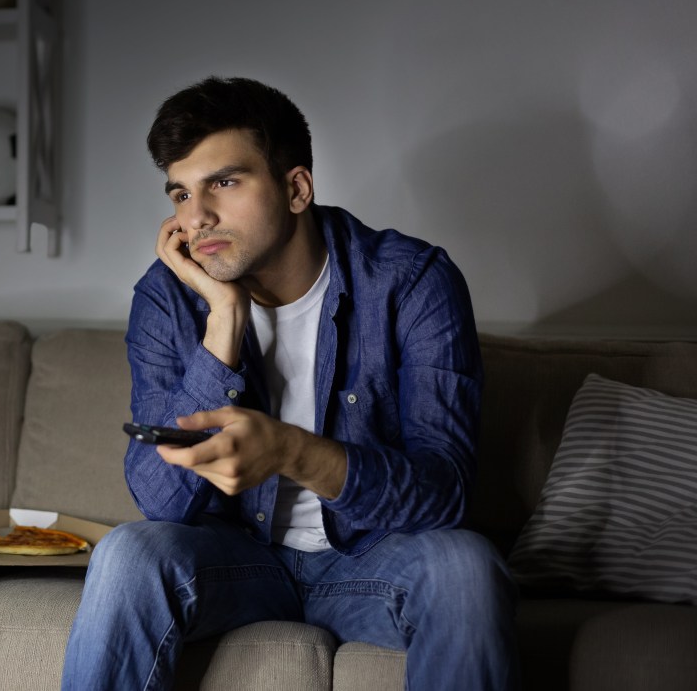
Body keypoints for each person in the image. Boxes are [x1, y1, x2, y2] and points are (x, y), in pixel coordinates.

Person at [61, 76, 519, 690]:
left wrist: (291, 452)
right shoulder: (168, 296)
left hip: (371, 559)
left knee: (466, 566)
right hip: (238, 562)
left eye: (223, 182)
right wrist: (221, 321)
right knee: (126, 553)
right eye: (180, 193)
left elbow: (446, 493)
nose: (195, 218)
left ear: (296, 187)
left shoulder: (413, 282)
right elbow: (159, 502)